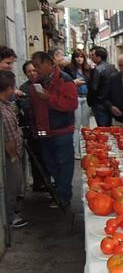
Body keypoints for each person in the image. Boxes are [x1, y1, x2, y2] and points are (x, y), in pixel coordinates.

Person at [30, 51, 78, 209]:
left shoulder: (65, 80)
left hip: (61, 131)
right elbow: (35, 107)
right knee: (50, 163)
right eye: (34, 66)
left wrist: (48, 98)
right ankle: (59, 191)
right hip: (44, 131)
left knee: (63, 165)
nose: (35, 69)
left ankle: (63, 196)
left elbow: (71, 105)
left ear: (49, 63)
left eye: (37, 66)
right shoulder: (36, 82)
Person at [0, 70, 27, 227]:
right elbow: (8, 140)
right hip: (10, 156)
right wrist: (14, 156)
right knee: (12, 187)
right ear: (9, 89)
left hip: (10, 155)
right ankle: (9, 219)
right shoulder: (4, 113)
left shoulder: (6, 106)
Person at [18, 61, 49, 192]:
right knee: (36, 154)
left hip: (45, 128)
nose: (32, 73)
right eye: (28, 71)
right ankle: (39, 183)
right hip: (33, 128)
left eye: (34, 70)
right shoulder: (24, 88)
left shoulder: (44, 83)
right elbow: (25, 107)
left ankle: (47, 180)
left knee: (46, 153)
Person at [63, 49, 91, 159]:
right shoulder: (68, 69)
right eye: (77, 56)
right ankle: (76, 151)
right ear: (73, 58)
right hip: (76, 98)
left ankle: (87, 148)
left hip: (86, 97)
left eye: (81, 56)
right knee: (76, 125)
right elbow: (64, 83)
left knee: (86, 124)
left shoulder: (88, 69)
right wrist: (74, 83)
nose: (79, 59)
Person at [88, 46, 117, 126]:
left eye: (93, 55)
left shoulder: (97, 69)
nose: (91, 57)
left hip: (99, 103)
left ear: (98, 57)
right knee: (110, 126)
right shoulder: (113, 68)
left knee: (102, 128)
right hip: (111, 102)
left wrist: (91, 102)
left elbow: (93, 88)